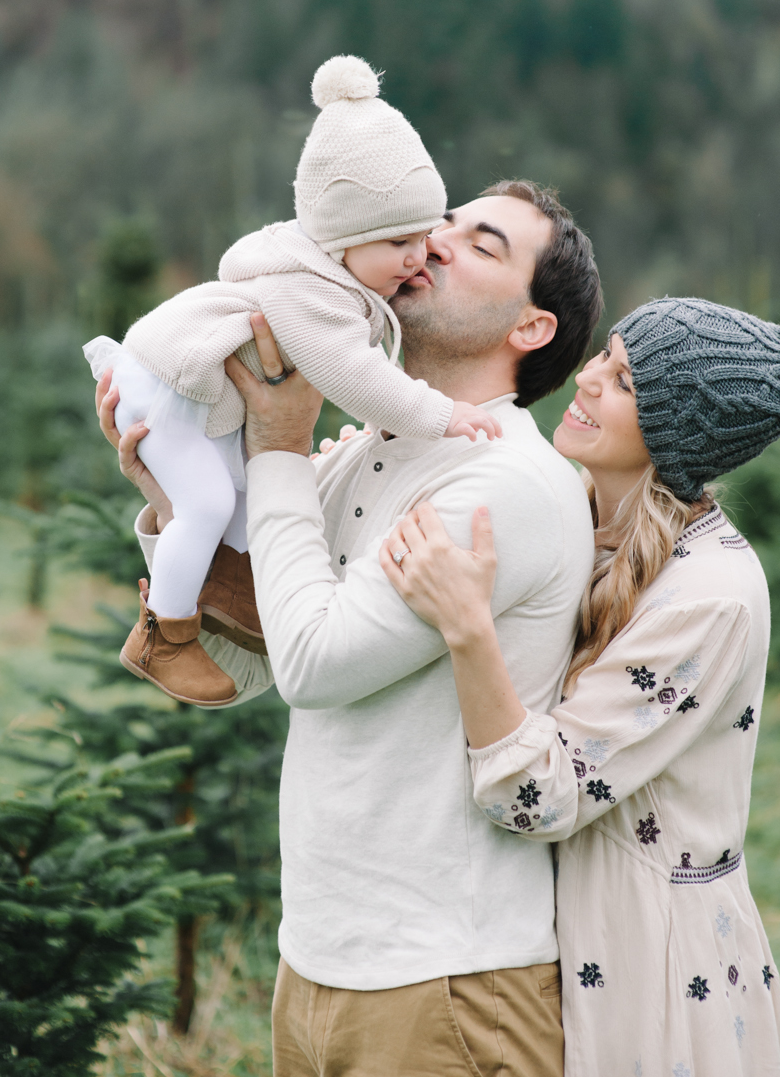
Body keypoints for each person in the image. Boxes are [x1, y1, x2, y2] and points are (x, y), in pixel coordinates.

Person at [99, 180, 604, 1075]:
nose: (435, 242)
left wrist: (282, 449)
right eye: (442, 223)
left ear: (533, 328)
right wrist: (171, 492)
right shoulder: (375, 445)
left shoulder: (505, 485)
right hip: (319, 963)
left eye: (483, 244)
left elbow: (315, 664)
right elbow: (249, 649)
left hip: (446, 983)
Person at [380, 296, 780, 1077]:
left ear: (679, 433)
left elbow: (542, 792)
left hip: (655, 973)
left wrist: (467, 624)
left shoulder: (711, 594)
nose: (589, 378)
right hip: (564, 944)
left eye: (627, 381)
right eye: (606, 355)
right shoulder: (575, 521)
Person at [84, 55, 499, 707]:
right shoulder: (312, 295)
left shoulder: (324, 274)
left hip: (188, 395)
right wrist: (441, 414)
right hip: (171, 389)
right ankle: (165, 634)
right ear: (342, 238)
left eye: (427, 237)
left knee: (229, 499)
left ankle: (214, 600)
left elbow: (283, 652)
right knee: (209, 504)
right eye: (401, 242)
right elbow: (355, 373)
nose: (424, 256)